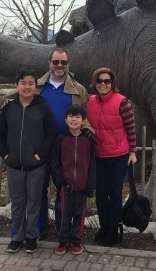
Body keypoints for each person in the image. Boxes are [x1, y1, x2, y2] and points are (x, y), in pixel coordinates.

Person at [0, 69, 57, 254]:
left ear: (35, 86)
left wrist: (39, 156)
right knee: (18, 203)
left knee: (34, 203)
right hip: (14, 165)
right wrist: (6, 155)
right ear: (17, 85)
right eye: (23, 82)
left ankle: (31, 237)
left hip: (36, 166)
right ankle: (17, 238)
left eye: (31, 83)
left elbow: (51, 134)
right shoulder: (8, 108)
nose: (27, 86)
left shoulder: (42, 108)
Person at [36, 48, 89, 235]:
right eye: (56, 62)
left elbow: (85, 117)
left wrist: (88, 133)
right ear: (49, 63)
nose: (59, 66)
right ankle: (39, 227)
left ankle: (62, 229)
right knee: (38, 188)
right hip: (41, 145)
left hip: (66, 147)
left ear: (68, 65)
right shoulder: (37, 87)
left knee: (63, 190)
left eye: (63, 62)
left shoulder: (79, 89)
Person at [86, 67, 137, 247]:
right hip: (98, 154)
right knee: (100, 193)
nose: (103, 84)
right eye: (100, 81)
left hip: (117, 154)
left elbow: (130, 127)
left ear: (112, 83)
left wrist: (133, 151)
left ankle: (112, 230)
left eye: (107, 81)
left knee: (114, 194)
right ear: (95, 83)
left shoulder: (121, 102)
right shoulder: (90, 101)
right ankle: (104, 226)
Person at [50, 105, 96, 255]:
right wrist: (60, 181)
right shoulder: (60, 139)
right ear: (65, 119)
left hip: (82, 186)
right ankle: (63, 241)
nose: (74, 119)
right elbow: (55, 162)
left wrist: (90, 185)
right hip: (65, 186)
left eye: (77, 117)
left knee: (79, 214)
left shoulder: (88, 141)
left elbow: (92, 164)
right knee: (63, 213)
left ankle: (76, 241)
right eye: (71, 116)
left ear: (83, 121)